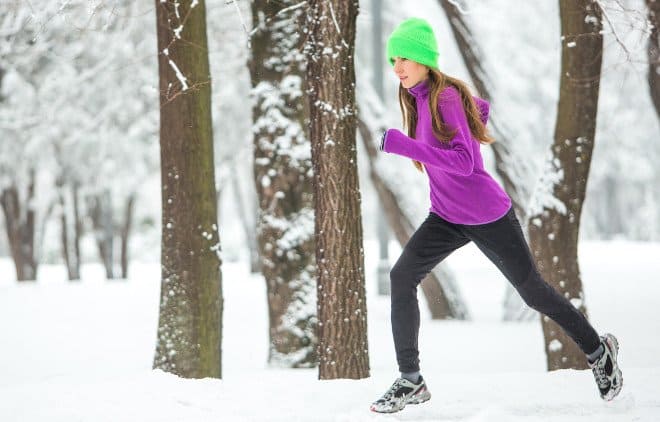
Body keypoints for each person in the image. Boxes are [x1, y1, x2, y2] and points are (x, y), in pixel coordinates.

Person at [369, 17, 623, 414]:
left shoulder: (446, 96)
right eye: (393, 59)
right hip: (447, 215)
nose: (397, 67)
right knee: (402, 275)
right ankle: (410, 380)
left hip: (487, 214)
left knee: (533, 291)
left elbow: (466, 161)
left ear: (424, 60)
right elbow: (477, 113)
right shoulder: (418, 99)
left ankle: (598, 350)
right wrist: (471, 119)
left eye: (405, 58)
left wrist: (405, 146)